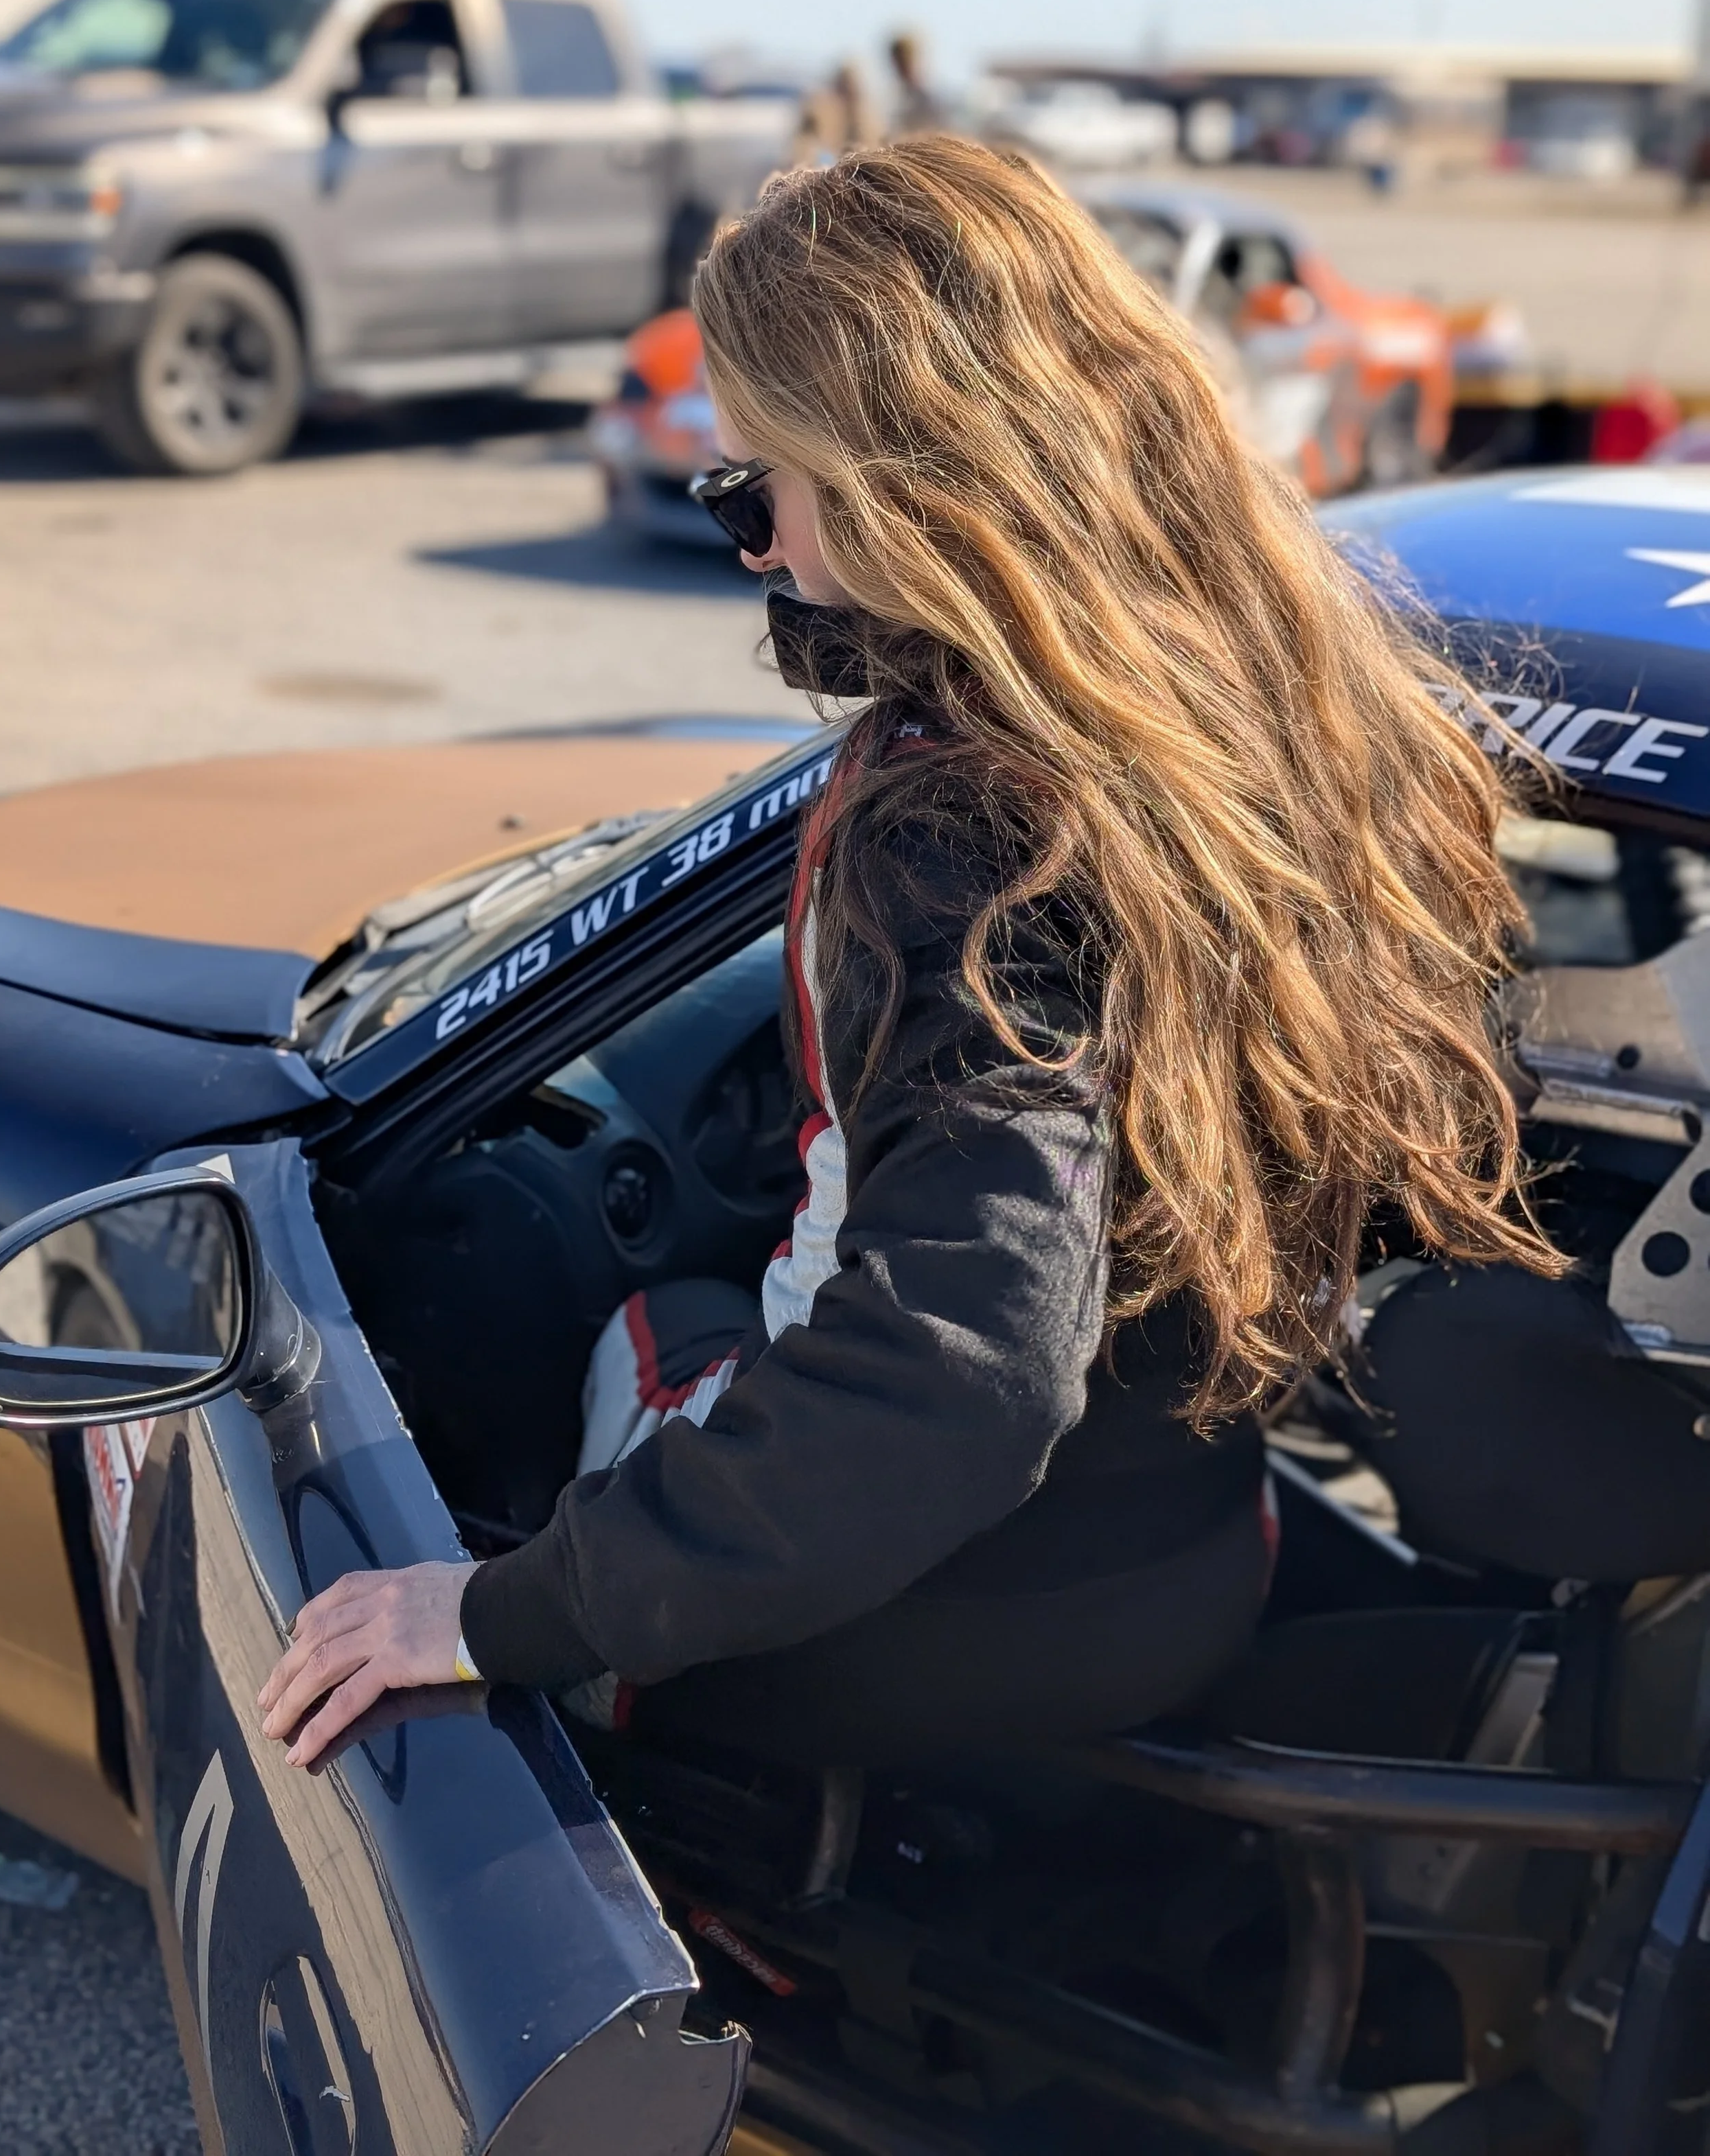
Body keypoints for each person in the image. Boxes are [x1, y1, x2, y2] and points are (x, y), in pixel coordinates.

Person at [258, 137, 1562, 1773]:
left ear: (901, 481)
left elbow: (969, 1368)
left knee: (615, 1332)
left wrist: (490, 1612)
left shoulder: (957, 823)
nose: (745, 548)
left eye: (750, 491)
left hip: (943, 1628)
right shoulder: (1274, 701)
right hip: (1200, 1544)